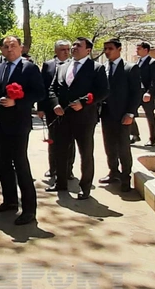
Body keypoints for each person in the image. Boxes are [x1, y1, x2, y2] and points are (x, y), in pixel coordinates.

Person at [0, 35, 45, 225]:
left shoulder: (29, 68)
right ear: (1, 50)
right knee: (2, 164)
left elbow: (39, 92)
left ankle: (29, 210)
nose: (9, 49)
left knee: (20, 165)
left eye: (13, 46)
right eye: (6, 46)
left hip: (19, 124)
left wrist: (16, 102)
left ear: (21, 48)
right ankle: (10, 201)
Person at [47, 37, 109, 199]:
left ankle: (85, 187)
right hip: (62, 117)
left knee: (85, 154)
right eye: (73, 45)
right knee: (60, 151)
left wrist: (83, 102)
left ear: (88, 50)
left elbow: (103, 91)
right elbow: (52, 89)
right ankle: (60, 182)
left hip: (84, 118)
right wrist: (55, 105)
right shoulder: (63, 67)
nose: (73, 48)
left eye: (78, 46)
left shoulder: (96, 68)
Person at [99, 39, 141, 192]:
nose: (107, 51)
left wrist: (131, 113)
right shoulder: (103, 68)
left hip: (123, 114)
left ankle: (125, 178)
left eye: (110, 48)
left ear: (119, 49)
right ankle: (113, 172)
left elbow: (137, 93)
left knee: (123, 147)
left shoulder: (130, 68)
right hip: (106, 114)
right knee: (109, 146)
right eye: (105, 49)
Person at [37, 40, 74, 181]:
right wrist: (41, 108)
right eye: (62, 49)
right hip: (51, 109)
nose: (66, 51)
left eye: (67, 49)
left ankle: (68, 169)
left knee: (70, 141)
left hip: (69, 110)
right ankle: (53, 168)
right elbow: (43, 87)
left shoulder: (74, 64)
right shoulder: (48, 65)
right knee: (53, 140)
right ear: (56, 51)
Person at [130, 42, 155, 146]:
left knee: (149, 116)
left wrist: (149, 92)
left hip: (147, 93)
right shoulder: (137, 62)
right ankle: (135, 134)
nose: (136, 50)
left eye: (139, 49)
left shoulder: (153, 62)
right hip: (137, 93)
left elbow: (154, 79)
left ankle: (152, 139)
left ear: (146, 50)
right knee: (130, 112)